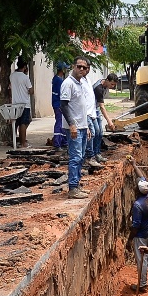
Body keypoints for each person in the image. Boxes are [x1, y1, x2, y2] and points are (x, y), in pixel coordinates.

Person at [61, 56, 93, 199]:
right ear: (73, 66)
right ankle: (73, 188)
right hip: (73, 127)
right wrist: (72, 125)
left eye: (84, 67)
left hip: (81, 126)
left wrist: (85, 126)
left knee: (80, 157)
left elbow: (80, 108)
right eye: (79, 66)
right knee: (75, 157)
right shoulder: (68, 83)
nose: (81, 69)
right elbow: (63, 105)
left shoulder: (80, 83)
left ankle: (77, 185)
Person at [126, 168, 148, 293]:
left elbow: (135, 226)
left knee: (141, 259)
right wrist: (134, 164)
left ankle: (142, 284)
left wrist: (130, 239)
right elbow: (142, 176)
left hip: (141, 235)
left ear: (138, 190)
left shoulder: (138, 205)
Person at [87, 73, 118, 164]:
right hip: (91, 110)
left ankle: (97, 153)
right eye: (112, 84)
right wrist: (109, 122)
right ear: (107, 80)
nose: (112, 86)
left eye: (114, 85)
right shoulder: (98, 88)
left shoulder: (104, 85)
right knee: (95, 132)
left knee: (100, 133)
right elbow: (102, 107)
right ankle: (91, 155)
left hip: (95, 109)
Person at [9, 59, 34, 148]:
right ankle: (23, 143)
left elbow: (10, 87)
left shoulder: (12, 76)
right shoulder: (25, 77)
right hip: (25, 103)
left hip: (15, 103)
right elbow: (31, 91)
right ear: (24, 67)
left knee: (16, 123)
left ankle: (16, 141)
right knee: (23, 123)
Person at [50, 62, 68, 149]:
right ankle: (57, 143)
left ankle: (63, 141)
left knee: (62, 122)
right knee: (59, 122)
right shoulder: (59, 81)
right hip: (59, 104)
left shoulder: (56, 79)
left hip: (57, 103)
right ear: (62, 69)